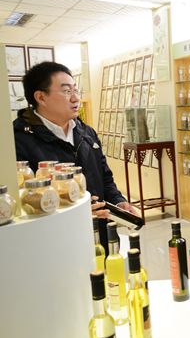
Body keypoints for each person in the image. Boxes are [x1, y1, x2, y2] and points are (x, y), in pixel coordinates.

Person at [13, 61, 137, 253]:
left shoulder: (86, 133)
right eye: (66, 91)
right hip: (56, 244)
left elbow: (105, 178)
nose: (75, 98)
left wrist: (119, 201)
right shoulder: (18, 141)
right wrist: (75, 210)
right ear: (41, 97)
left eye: (76, 90)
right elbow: (23, 204)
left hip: (101, 235)